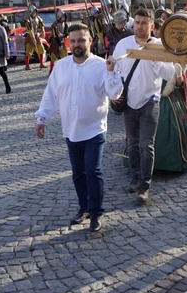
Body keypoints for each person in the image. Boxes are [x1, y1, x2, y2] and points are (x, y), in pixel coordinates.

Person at [35, 24, 123, 233]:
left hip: (94, 128)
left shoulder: (102, 65)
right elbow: (51, 94)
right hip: (70, 129)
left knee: (93, 170)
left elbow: (115, 93)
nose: (77, 45)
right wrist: (42, 118)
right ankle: (83, 207)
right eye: (73, 41)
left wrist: (111, 72)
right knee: (78, 173)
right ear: (68, 43)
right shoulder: (61, 66)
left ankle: (96, 212)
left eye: (81, 40)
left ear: (90, 41)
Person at [112, 8, 181, 204]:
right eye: (138, 23)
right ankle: (134, 178)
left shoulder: (160, 46)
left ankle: (144, 186)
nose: (140, 27)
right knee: (132, 143)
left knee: (146, 145)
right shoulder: (124, 44)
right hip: (130, 100)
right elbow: (114, 70)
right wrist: (113, 93)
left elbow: (169, 75)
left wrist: (154, 59)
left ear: (152, 26)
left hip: (150, 100)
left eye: (144, 23)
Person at [23, 5, 45, 70]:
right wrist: (33, 38)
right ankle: (27, 65)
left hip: (36, 35)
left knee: (41, 49)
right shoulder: (28, 20)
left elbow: (41, 25)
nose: (34, 13)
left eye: (35, 11)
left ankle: (41, 64)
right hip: (29, 36)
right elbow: (29, 30)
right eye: (33, 12)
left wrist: (43, 32)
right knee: (28, 51)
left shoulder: (38, 18)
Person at [47, 9, 68, 74]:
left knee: (65, 56)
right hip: (55, 42)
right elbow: (55, 35)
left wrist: (63, 35)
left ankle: (64, 70)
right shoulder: (54, 25)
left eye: (64, 16)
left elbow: (67, 33)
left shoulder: (65, 24)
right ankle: (51, 71)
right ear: (59, 17)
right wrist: (59, 45)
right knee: (53, 57)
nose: (63, 17)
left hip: (62, 41)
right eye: (62, 16)